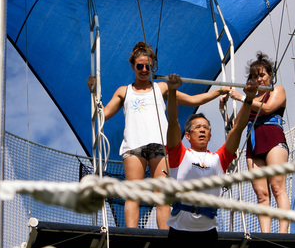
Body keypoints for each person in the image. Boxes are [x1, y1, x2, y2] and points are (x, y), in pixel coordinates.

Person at [87, 41, 229, 229]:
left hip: (159, 144)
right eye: (140, 66)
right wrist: (94, 93)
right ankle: (131, 235)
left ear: (153, 66)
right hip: (134, 146)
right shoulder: (124, 91)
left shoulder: (161, 88)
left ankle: (164, 237)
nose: (144, 69)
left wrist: (219, 90)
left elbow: (193, 99)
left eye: (148, 66)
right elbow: (102, 115)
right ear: (133, 67)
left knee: (161, 195)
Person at [164, 72, 258, 248]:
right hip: (180, 227)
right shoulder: (179, 155)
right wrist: (171, 93)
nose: (203, 130)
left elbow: (237, 131)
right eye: (197, 127)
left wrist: (249, 99)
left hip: (206, 231)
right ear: (189, 134)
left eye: (207, 127)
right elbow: (172, 122)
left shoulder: (218, 159)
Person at [221, 51, 291, 234]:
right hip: (254, 146)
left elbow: (267, 108)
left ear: (270, 76)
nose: (259, 79)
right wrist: (223, 109)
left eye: (262, 75)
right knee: (261, 194)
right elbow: (236, 125)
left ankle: (283, 233)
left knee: (277, 187)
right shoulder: (249, 101)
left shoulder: (277, 91)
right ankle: (265, 234)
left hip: (273, 140)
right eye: (255, 76)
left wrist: (243, 97)